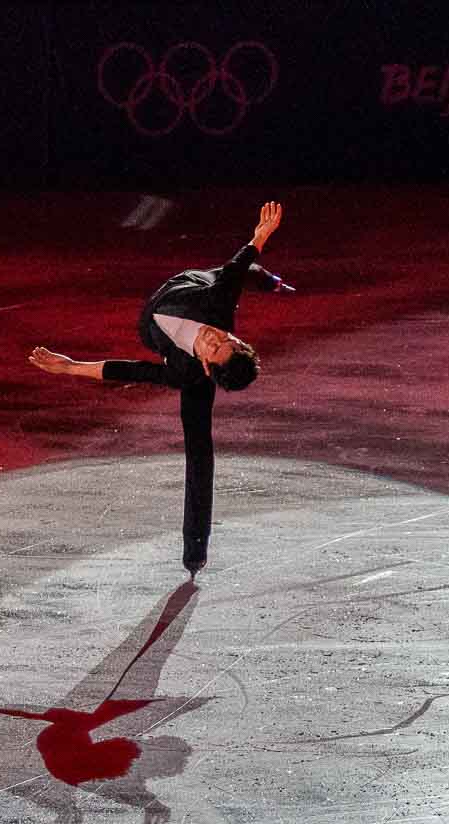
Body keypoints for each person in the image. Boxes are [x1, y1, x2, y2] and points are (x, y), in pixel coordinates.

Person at [29, 201, 289, 576]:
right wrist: (260, 236)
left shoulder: (187, 372)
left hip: (150, 326)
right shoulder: (217, 306)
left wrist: (70, 367)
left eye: (214, 347)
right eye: (225, 338)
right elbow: (234, 266)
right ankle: (268, 279)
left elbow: (130, 371)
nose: (214, 337)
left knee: (199, 448)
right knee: (234, 275)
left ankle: (196, 547)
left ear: (205, 364)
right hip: (191, 285)